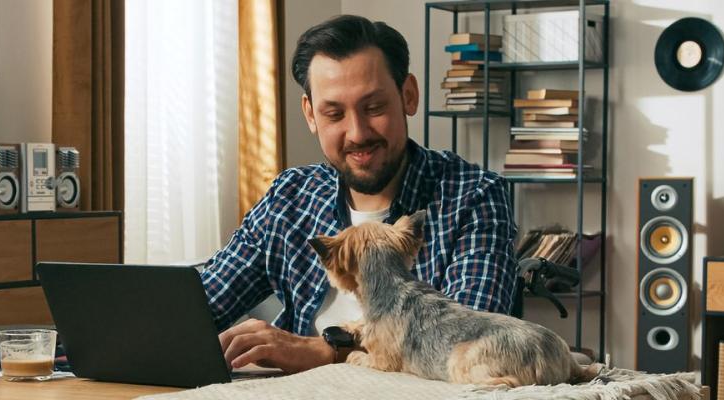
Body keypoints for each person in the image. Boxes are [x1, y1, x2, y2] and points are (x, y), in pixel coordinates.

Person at [200, 14, 519, 374]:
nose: (357, 133)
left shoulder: (474, 196)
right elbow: (199, 307)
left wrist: (327, 350)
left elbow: (470, 343)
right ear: (310, 115)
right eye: (333, 113)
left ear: (408, 96)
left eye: (374, 108)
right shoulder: (289, 197)